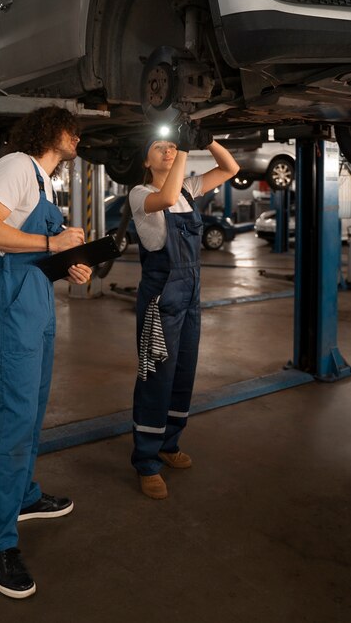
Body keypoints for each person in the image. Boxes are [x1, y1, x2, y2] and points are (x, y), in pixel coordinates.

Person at [0, 105, 92, 598]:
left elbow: (36, 249)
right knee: (15, 415)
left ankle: (23, 496)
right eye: (73, 130)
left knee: (35, 407)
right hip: (13, 301)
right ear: (50, 129)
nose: (78, 139)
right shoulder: (17, 165)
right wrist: (52, 239)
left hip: (38, 299)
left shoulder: (44, 182)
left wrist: (69, 263)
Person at [129, 123, 239, 499]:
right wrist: (186, 150)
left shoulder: (190, 191)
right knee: (155, 375)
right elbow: (170, 192)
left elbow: (230, 170)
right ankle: (146, 461)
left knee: (183, 373)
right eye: (159, 147)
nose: (167, 151)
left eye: (171, 146)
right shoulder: (140, 193)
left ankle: (168, 444)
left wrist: (206, 139)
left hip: (190, 294)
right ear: (146, 159)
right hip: (161, 298)